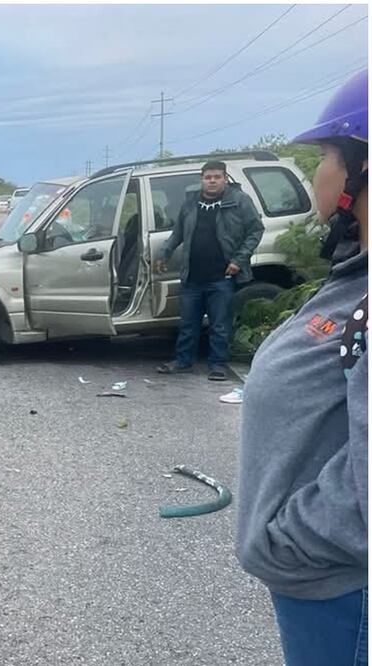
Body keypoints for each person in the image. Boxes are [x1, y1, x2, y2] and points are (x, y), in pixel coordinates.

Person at [236, 69, 367, 666]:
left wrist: (286, 541)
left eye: (328, 156)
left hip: (345, 593)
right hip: (328, 587)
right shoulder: (356, 279)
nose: (318, 171)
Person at [155, 160, 264, 381]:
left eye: (217, 177)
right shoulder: (190, 203)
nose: (212, 181)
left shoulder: (239, 201)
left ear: (225, 179)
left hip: (222, 276)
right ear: (201, 180)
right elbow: (177, 233)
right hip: (192, 275)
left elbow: (255, 230)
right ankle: (183, 361)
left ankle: (218, 365)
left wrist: (238, 260)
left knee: (220, 324)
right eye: (207, 177)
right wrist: (164, 253)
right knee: (188, 323)